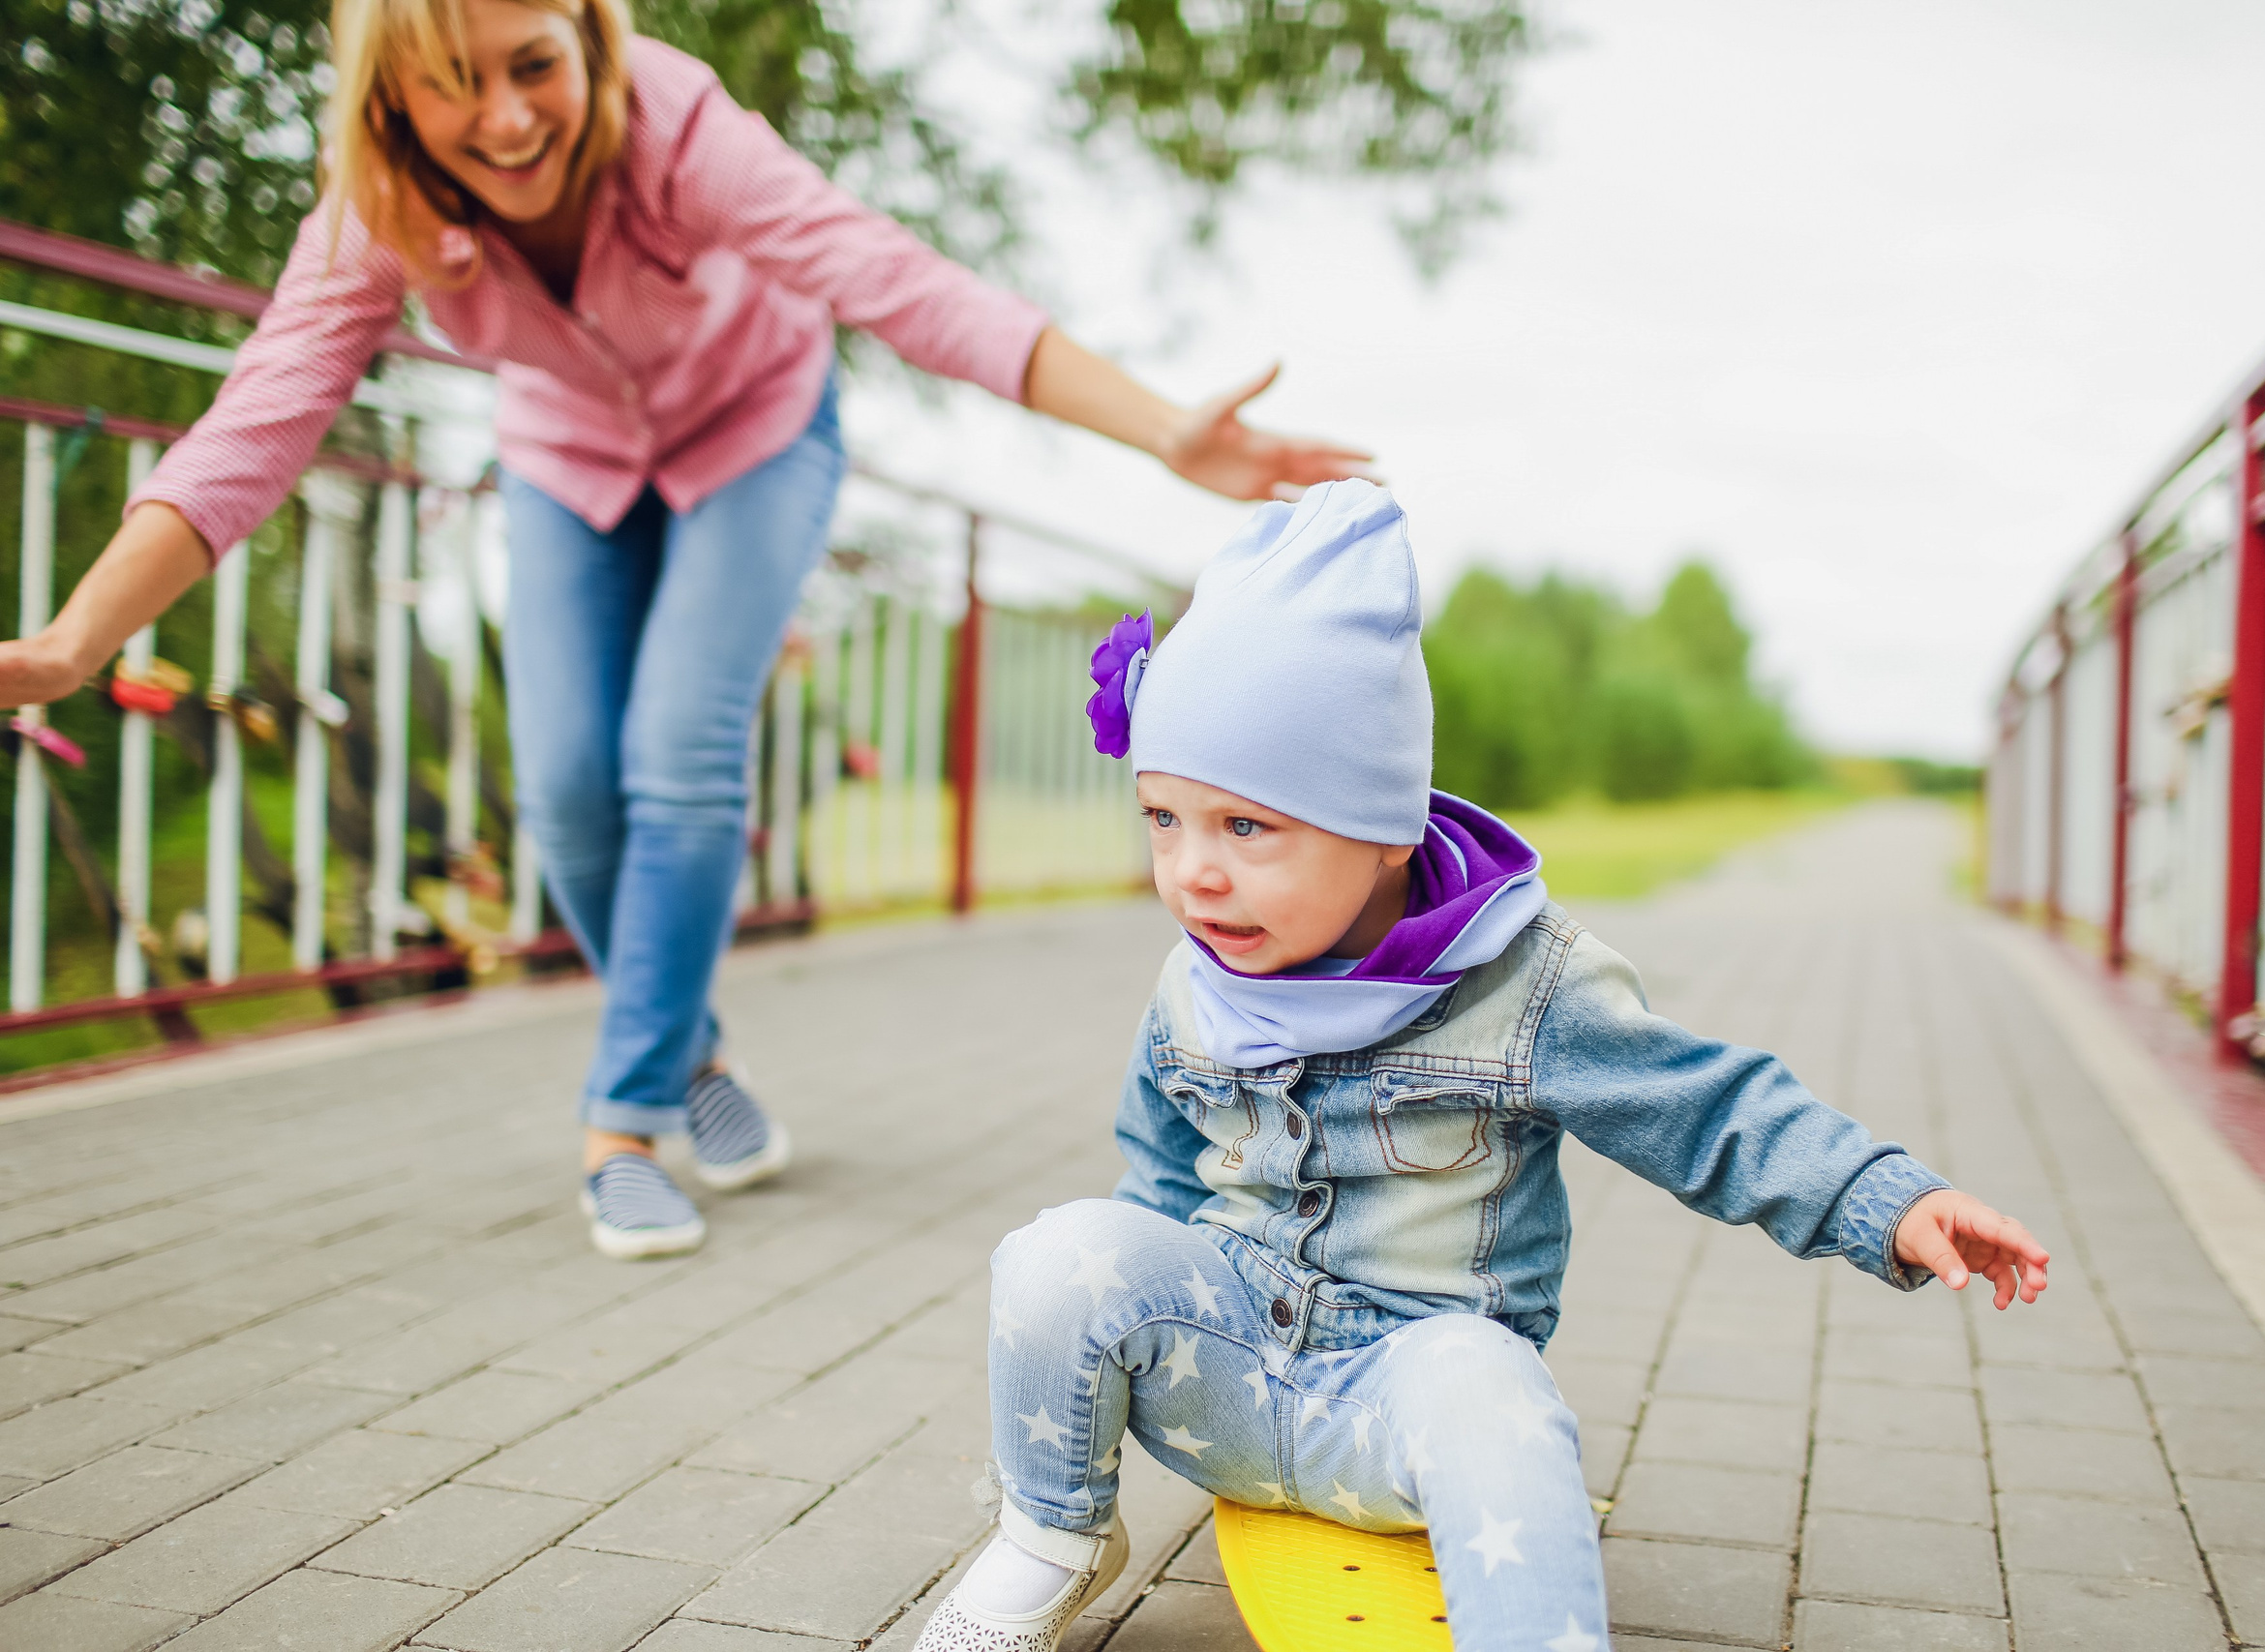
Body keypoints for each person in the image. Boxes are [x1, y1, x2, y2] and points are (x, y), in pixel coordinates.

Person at [0, 0, 1370, 1260]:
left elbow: (910, 287)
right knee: (568, 794)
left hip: (755, 435)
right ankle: (694, 1048)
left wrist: (1160, 431)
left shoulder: (684, 131)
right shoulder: (376, 213)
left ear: (590, 43)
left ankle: (624, 1117)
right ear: (392, 97)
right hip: (568, 459)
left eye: (535, 64)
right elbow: (257, 425)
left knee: (680, 747)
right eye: (455, 85)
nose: (509, 116)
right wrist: (71, 643)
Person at [921, 480, 2051, 1652]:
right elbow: (1156, 1172)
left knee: (1493, 1393)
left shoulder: (1530, 986)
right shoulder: (1195, 982)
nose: (1193, 875)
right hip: (1224, 1386)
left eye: (1245, 828)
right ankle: (1051, 1536)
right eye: (1164, 820)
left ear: (1381, 828)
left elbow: (1712, 1112)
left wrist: (1886, 1199)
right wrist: (1104, 1326)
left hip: (1405, 1410)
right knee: (1059, 1251)